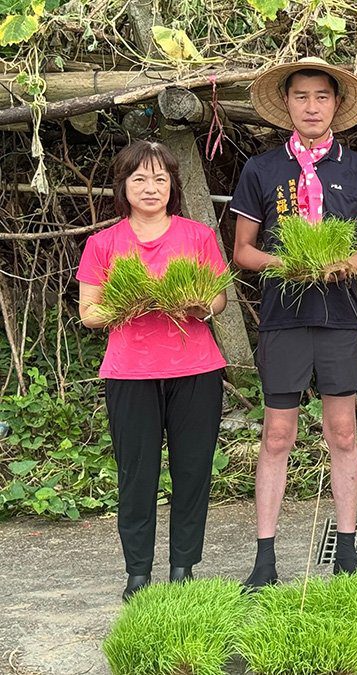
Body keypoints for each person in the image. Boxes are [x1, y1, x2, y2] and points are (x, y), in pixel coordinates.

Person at [230, 57, 357, 589]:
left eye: (322, 96)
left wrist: (341, 264)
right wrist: (289, 265)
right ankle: (265, 557)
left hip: (340, 316)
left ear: (336, 105)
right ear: (287, 105)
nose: (312, 106)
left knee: (343, 432)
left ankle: (347, 550)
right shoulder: (262, 169)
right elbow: (243, 251)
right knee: (277, 434)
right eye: (301, 97)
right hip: (283, 318)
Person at [77, 140, 229, 601]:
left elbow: (219, 300)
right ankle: (138, 572)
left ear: (172, 186)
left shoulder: (197, 236)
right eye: (139, 178)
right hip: (130, 373)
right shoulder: (103, 243)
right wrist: (131, 304)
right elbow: (89, 312)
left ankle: (183, 566)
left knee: (193, 469)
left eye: (160, 178)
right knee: (137, 473)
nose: (150, 187)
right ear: (123, 186)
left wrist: (200, 305)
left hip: (196, 370)